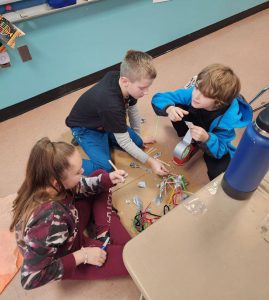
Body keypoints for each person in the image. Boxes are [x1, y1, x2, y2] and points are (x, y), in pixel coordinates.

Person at [9, 137, 131, 290]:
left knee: (101, 175)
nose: (83, 172)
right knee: (133, 257)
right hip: (69, 251)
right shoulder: (50, 219)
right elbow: (30, 279)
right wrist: (82, 256)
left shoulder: (46, 182)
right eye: (78, 172)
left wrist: (108, 179)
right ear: (56, 182)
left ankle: (103, 232)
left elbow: (80, 185)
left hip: (69, 223)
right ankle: (104, 228)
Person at [66, 50, 168, 176]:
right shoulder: (111, 105)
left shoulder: (122, 81)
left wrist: (138, 137)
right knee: (105, 168)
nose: (146, 92)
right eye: (142, 88)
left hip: (105, 121)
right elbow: (124, 142)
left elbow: (133, 109)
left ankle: (105, 139)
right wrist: (151, 162)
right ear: (125, 81)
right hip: (86, 128)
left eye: (148, 86)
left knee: (137, 143)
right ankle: (60, 166)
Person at [151, 63, 253, 180]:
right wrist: (170, 109)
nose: (196, 96)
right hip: (195, 122)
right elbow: (158, 98)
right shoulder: (192, 95)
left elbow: (221, 149)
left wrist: (207, 139)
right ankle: (192, 140)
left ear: (218, 102)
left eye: (206, 95)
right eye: (197, 88)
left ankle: (200, 142)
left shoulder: (227, 120)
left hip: (211, 136)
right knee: (176, 105)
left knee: (222, 172)